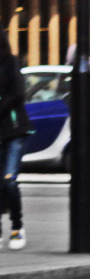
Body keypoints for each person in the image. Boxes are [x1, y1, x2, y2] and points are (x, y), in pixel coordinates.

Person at [0, 34, 28, 249]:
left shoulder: (11, 62)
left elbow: (18, 94)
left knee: (9, 180)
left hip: (14, 129)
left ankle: (17, 228)